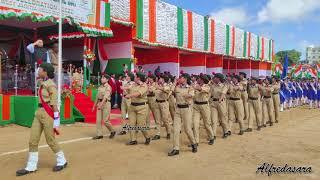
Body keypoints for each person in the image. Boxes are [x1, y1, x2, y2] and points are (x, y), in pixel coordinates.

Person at [16, 63, 67, 176]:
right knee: (32, 140)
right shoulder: (42, 82)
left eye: (40, 69)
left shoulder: (51, 85)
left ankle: (62, 160)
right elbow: (37, 79)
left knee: (50, 140)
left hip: (48, 113)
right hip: (38, 113)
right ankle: (31, 166)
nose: (38, 70)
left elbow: (54, 104)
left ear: (45, 71)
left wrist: (56, 121)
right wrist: (39, 77)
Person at [168, 73, 197, 156]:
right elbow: (171, 91)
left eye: (181, 78)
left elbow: (191, 95)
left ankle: (193, 143)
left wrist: (184, 95)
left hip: (186, 109)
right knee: (175, 130)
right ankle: (176, 148)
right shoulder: (177, 87)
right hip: (177, 110)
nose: (179, 78)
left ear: (185, 79)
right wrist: (174, 83)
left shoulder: (190, 87)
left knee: (187, 129)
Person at [125, 72, 151, 145]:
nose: (134, 77)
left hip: (142, 107)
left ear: (139, 78)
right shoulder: (133, 84)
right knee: (131, 124)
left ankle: (147, 137)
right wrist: (125, 91)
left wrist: (129, 95)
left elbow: (138, 94)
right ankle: (133, 140)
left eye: (136, 76)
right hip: (132, 106)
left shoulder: (144, 86)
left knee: (141, 125)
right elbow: (127, 90)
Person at [192, 74, 215, 145]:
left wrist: (194, 86)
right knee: (195, 124)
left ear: (202, 79)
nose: (197, 79)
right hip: (196, 106)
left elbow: (200, 89)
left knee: (207, 124)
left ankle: (211, 137)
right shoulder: (195, 84)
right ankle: (196, 141)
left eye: (199, 78)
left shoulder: (207, 86)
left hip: (204, 106)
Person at [92, 74, 116, 140]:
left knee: (105, 121)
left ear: (107, 80)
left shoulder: (108, 87)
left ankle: (112, 131)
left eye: (103, 78)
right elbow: (97, 97)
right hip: (100, 103)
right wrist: (94, 106)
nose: (101, 79)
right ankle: (99, 134)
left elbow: (105, 97)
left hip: (106, 104)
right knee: (98, 120)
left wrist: (101, 105)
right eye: (101, 78)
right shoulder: (100, 87)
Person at [209, 73, 230, 138]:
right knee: (213, 120)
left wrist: (220, 100)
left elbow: (223, 94)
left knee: (222, 118)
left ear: (218, 78)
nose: (213, 78)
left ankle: (226, 131)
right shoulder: (213, 85)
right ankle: (213, 135)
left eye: (215, 77)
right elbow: (210, 94)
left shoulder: (224, 86)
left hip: (221, 103)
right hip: (213, 103)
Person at [153, 74, 171, 140]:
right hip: (157, 102)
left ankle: (168, 132)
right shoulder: (158, 85)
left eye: (160, 78)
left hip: (164, 103)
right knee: (157, 119)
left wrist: (157, 87)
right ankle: (158, 134)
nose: (159, 79)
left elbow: (166, 90)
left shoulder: (167, 85)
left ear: (163, 79)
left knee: (165, 119)